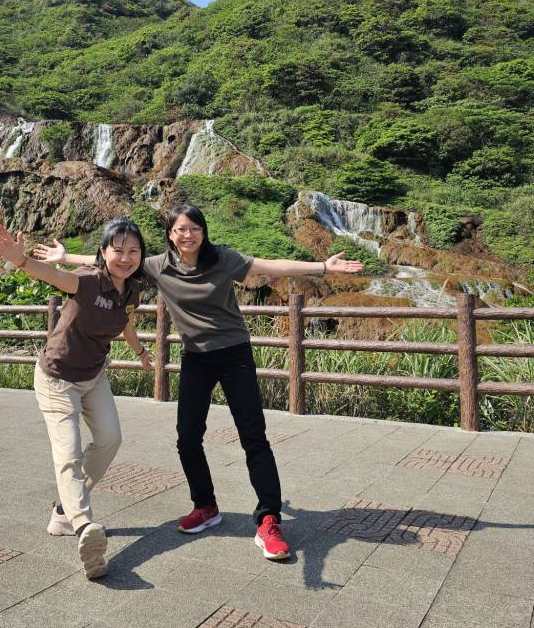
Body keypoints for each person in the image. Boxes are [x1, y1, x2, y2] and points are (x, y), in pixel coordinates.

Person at [34, 203, 363, 561]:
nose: (187, 235)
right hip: (195, 358)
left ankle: (269, 519)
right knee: (188, 438)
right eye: (179, 229)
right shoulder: (157, 265)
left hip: (234, 353)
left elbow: (271, 266)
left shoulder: (222, 259)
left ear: (203, 231)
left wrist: (323, 266)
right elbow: (112, 259)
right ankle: (205, 506)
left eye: (193, 228)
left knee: (253, 436)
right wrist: (65, 257)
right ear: (170, 235)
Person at [0, 217, 153, 579]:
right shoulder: (88, 281)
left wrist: (139, 351)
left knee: (110, 439)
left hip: (93, 376)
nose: (125, 257)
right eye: (118, 250)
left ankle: (63, 511)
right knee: (68, 453)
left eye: (133, 251)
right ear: (103, 252)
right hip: (57, 378)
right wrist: (21, 260)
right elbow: (52, 276)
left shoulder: (132, 290)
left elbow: (125, 320)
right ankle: (83, 524)